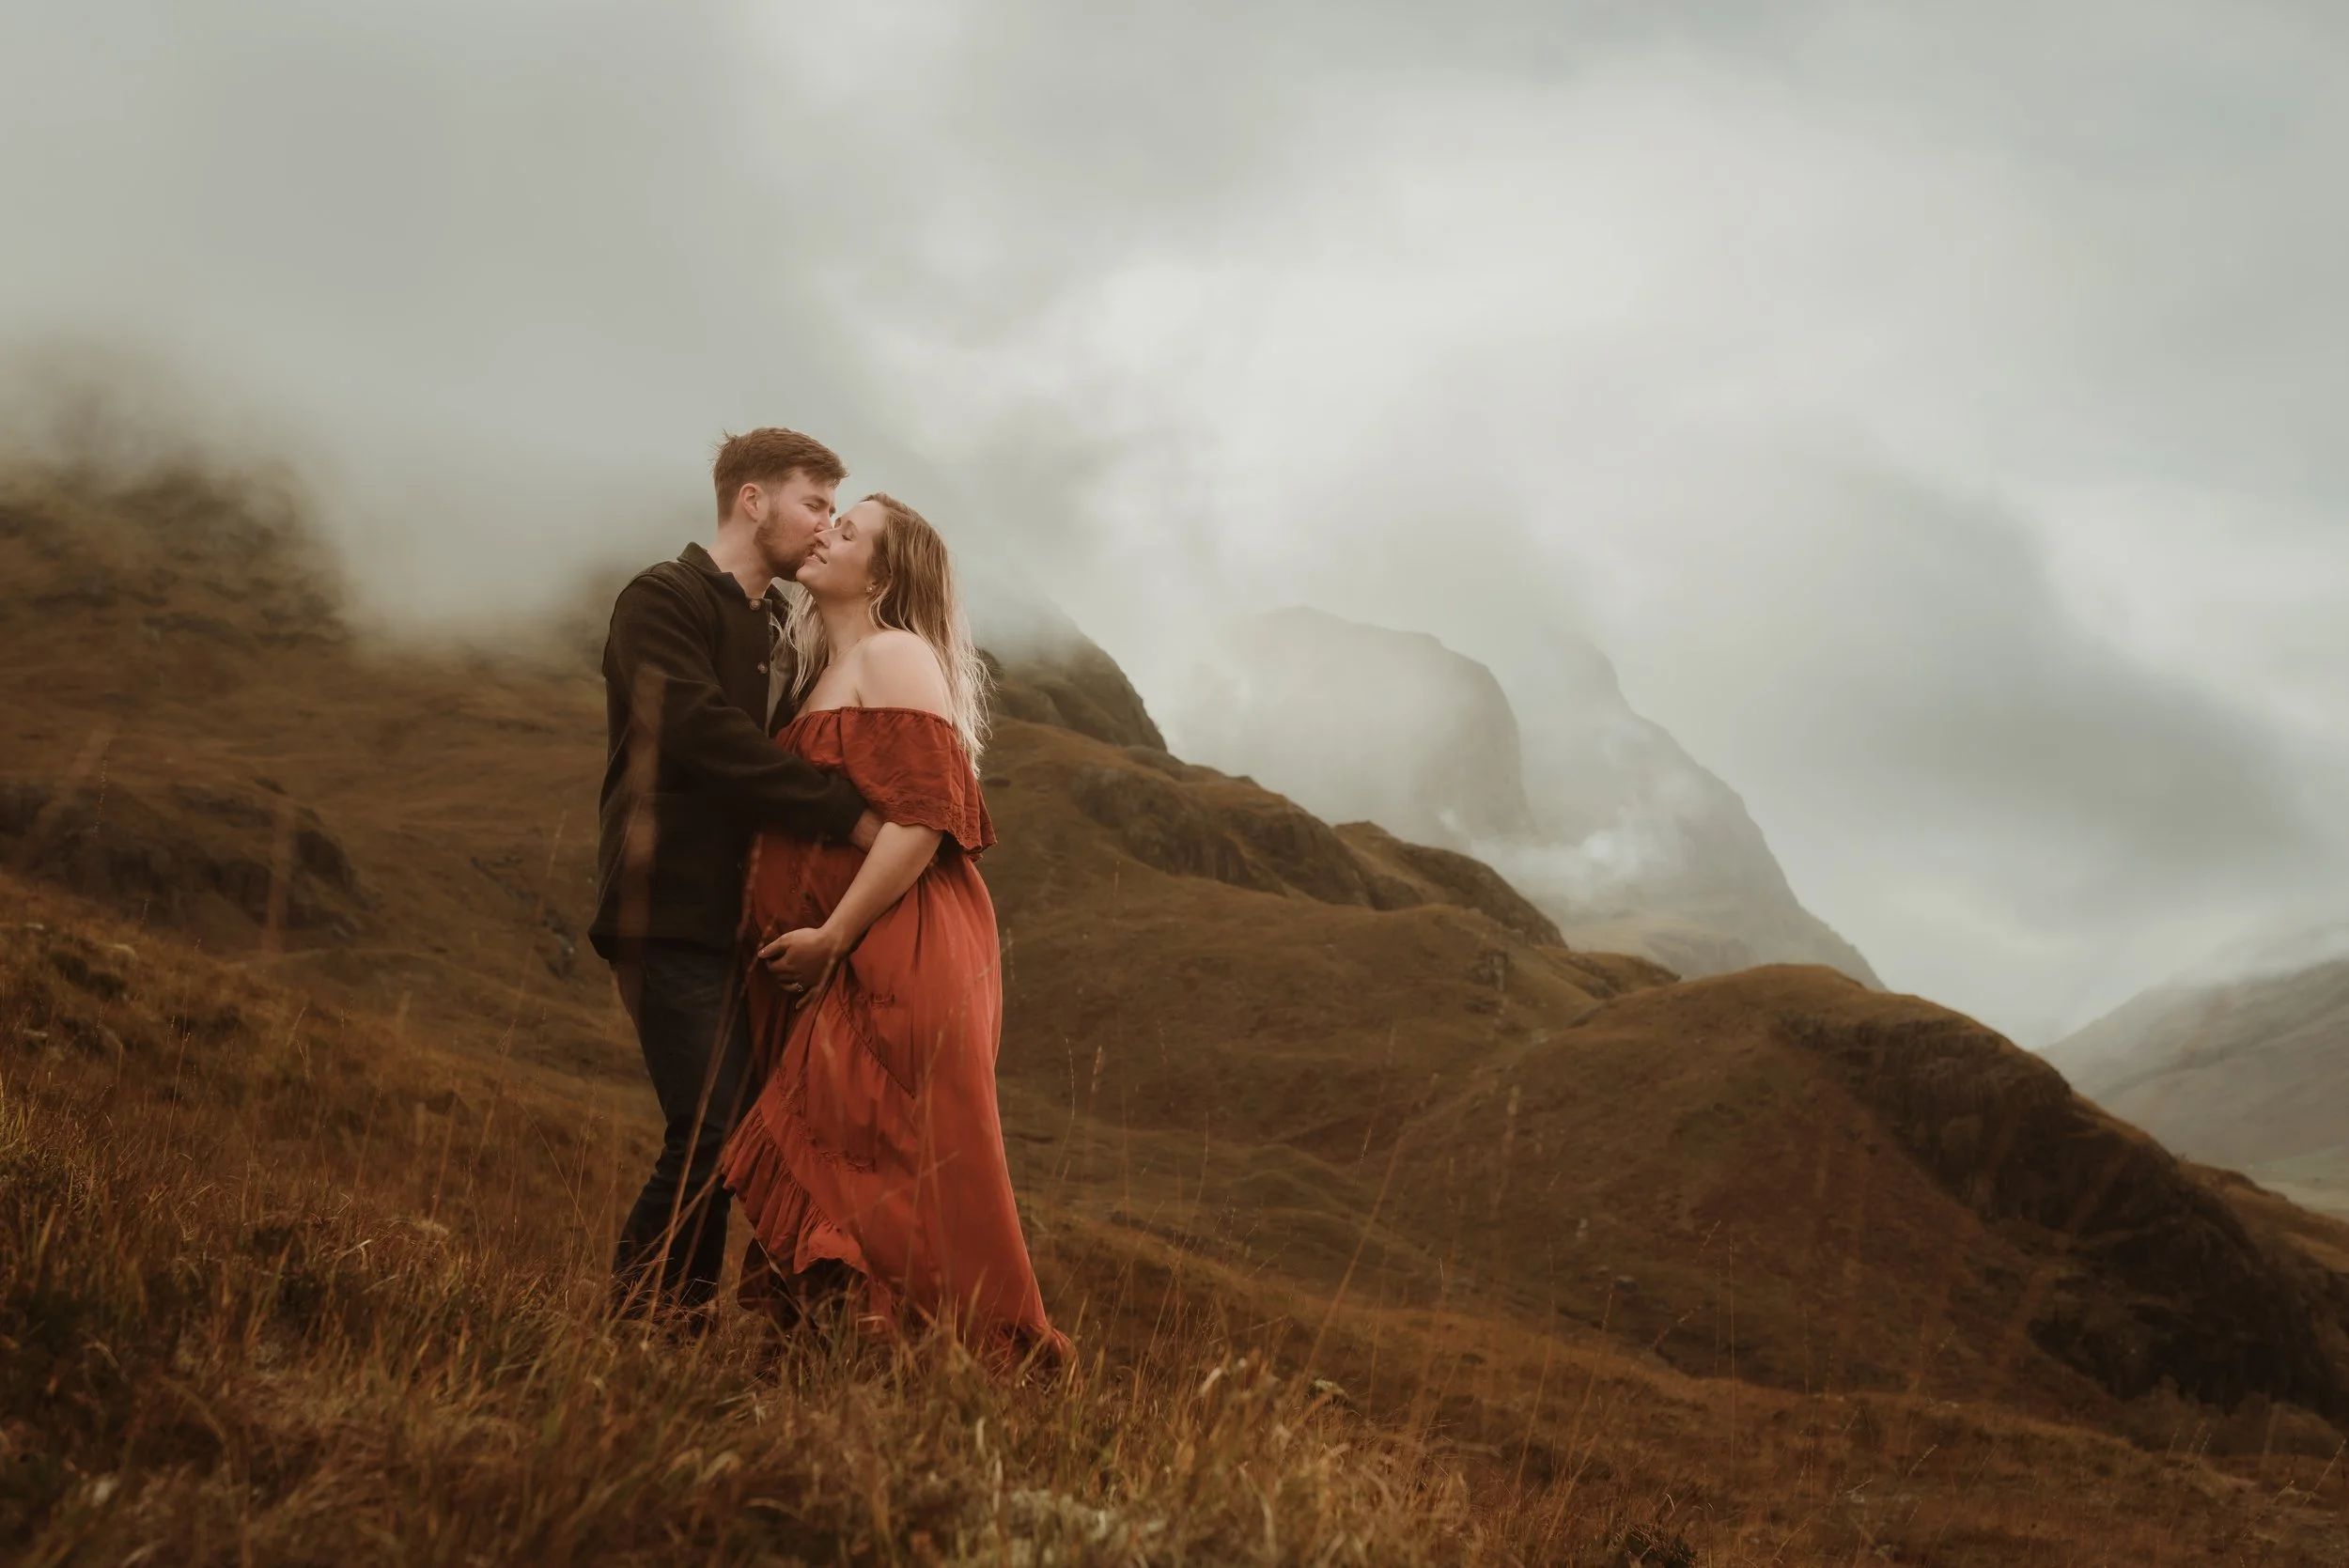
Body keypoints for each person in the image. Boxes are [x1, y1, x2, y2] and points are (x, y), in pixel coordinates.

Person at [721, 492, 1067, 1369]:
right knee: (854, 1172)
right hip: (846, 958)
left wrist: (833, 935)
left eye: (848, 531)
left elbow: (923, 819)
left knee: (896, 1177)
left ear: (882, 576)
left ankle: (976, 1368)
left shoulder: (896, 653)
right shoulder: (825, 669)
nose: (826, 532)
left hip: (894, 949)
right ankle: (850, 1378)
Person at [589, 427, 881, 1328]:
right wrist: (842, 813)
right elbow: (702, 736)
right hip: (666, 908)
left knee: (750, 1135)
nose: (826, 524)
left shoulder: (783, 628)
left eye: (835, 510)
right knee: (712, 1127)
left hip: (752, 924)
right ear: (752, 501)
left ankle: (698, 1329)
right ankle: (643, 1330)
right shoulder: (660, 599)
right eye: (814, 503)